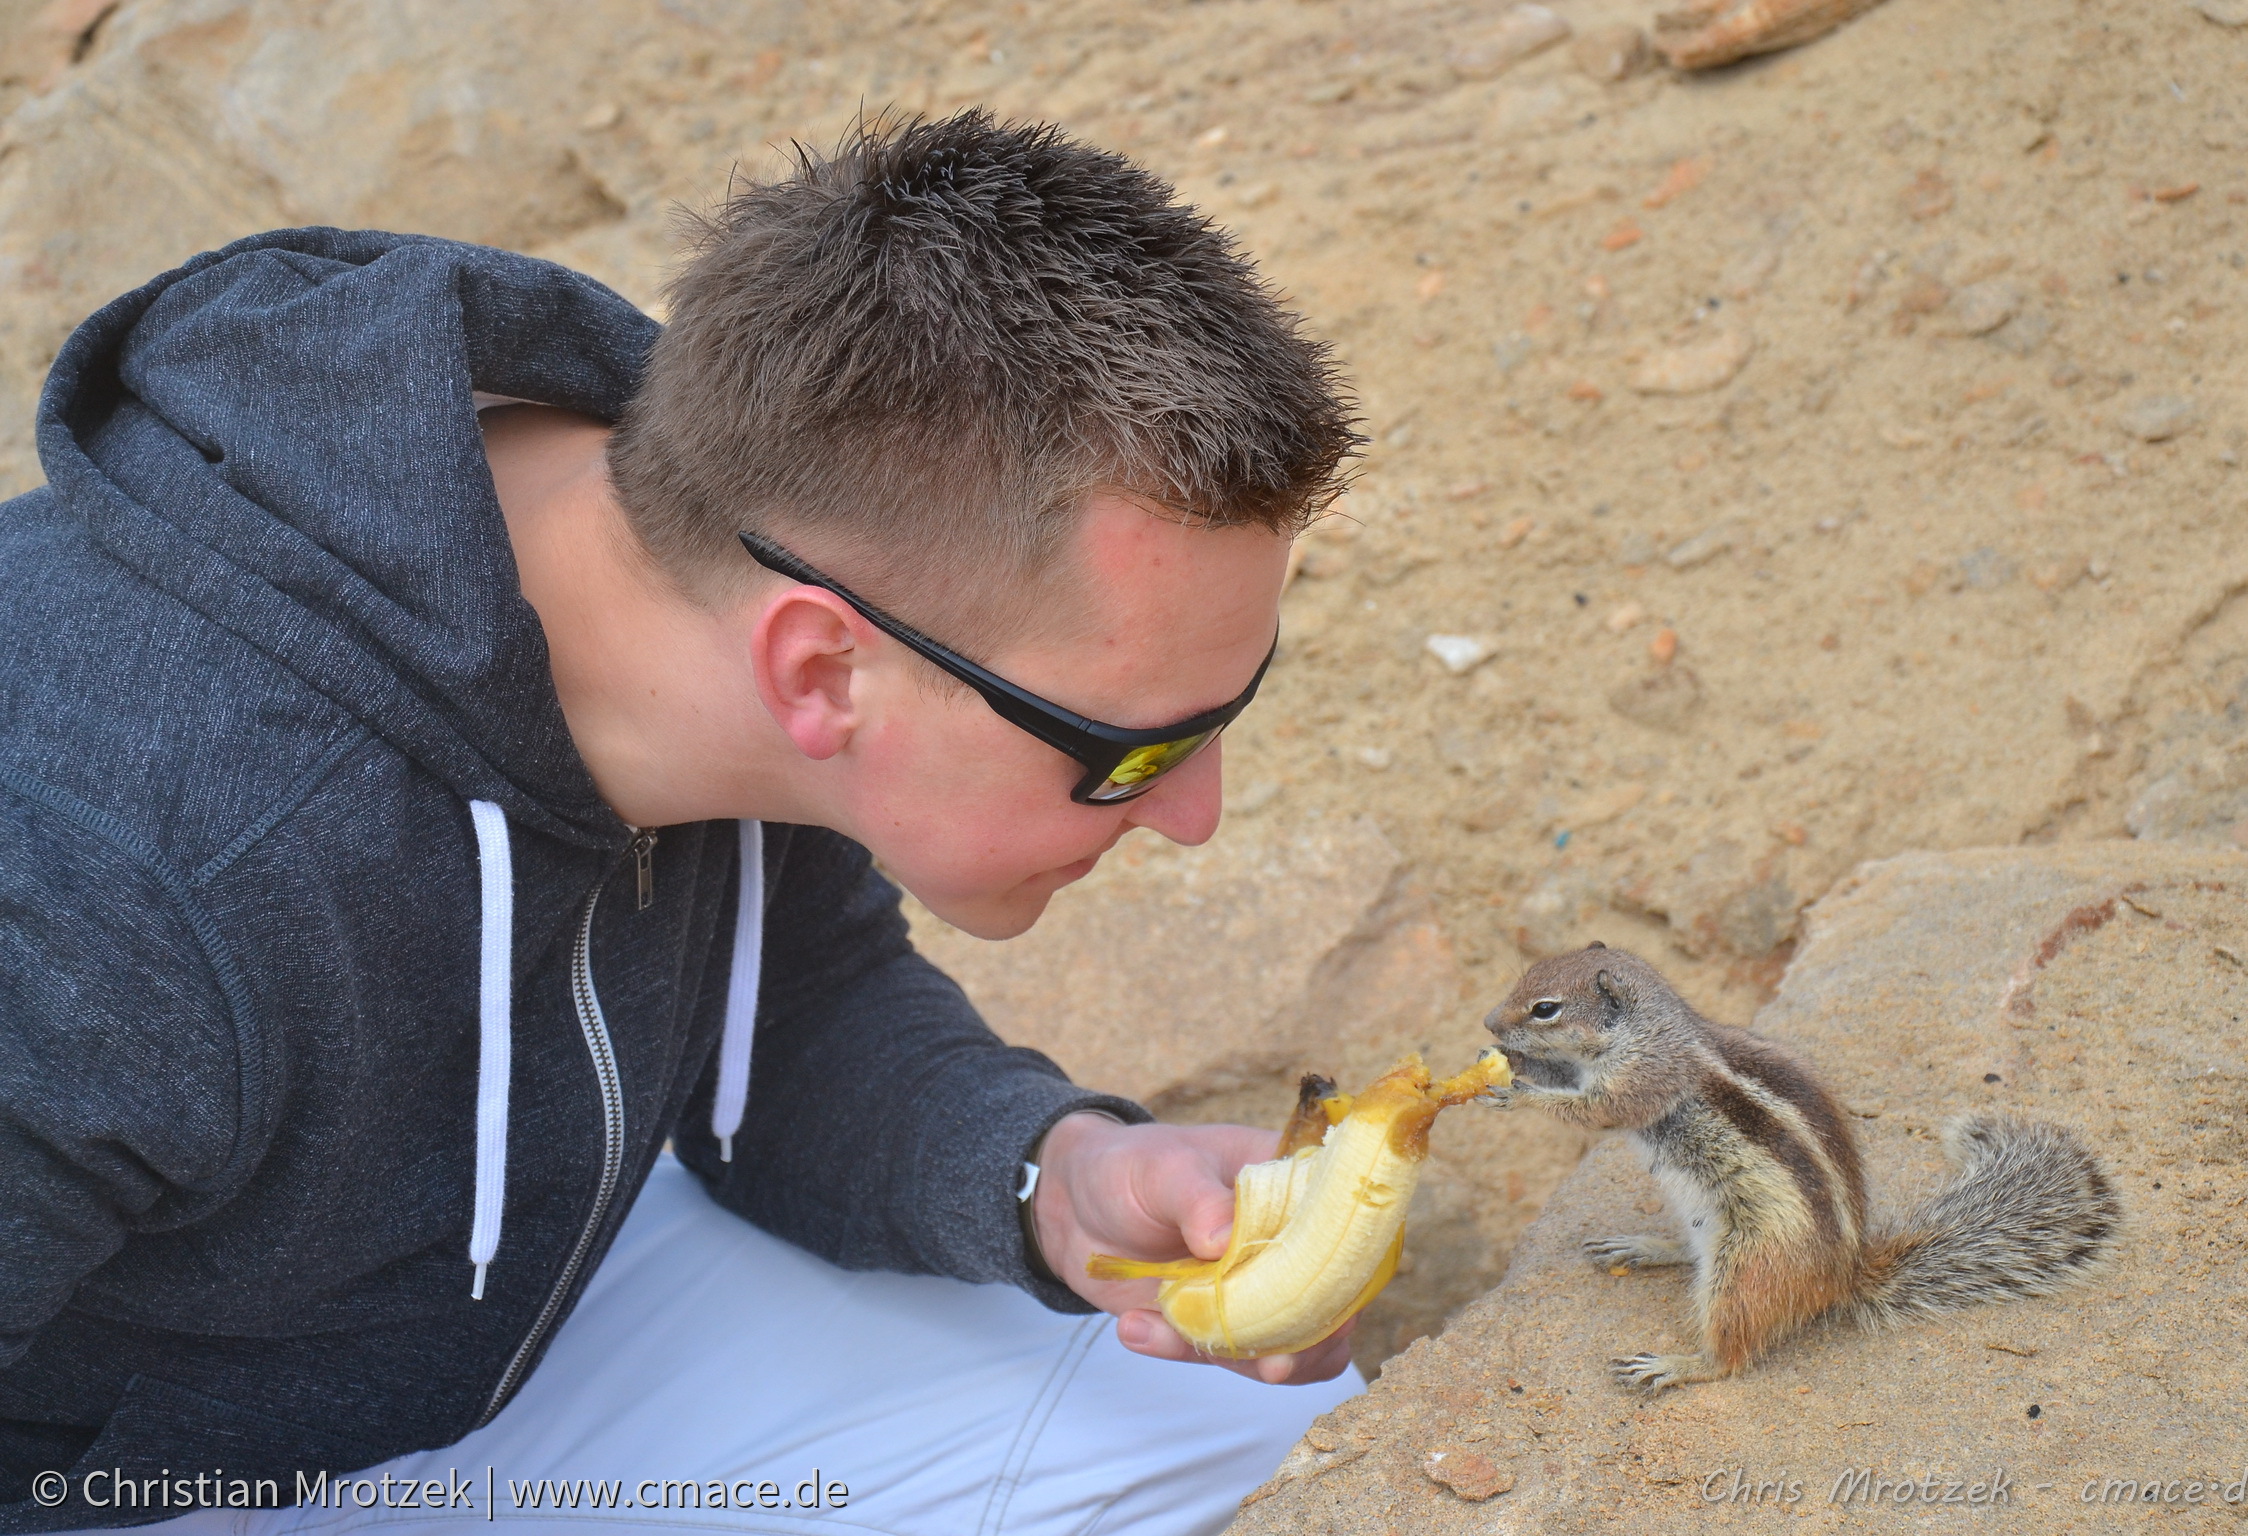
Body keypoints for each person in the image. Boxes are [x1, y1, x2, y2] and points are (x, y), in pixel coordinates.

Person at [0, 110, 1363, 1536]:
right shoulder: (100, 890)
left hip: (486, 1326)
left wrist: (1056, 1178)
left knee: (1239, 1410)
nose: (1197, 817)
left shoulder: (736, 518)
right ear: (822, 670)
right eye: (1134, 751)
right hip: (119, 1482)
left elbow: (789, 1011)